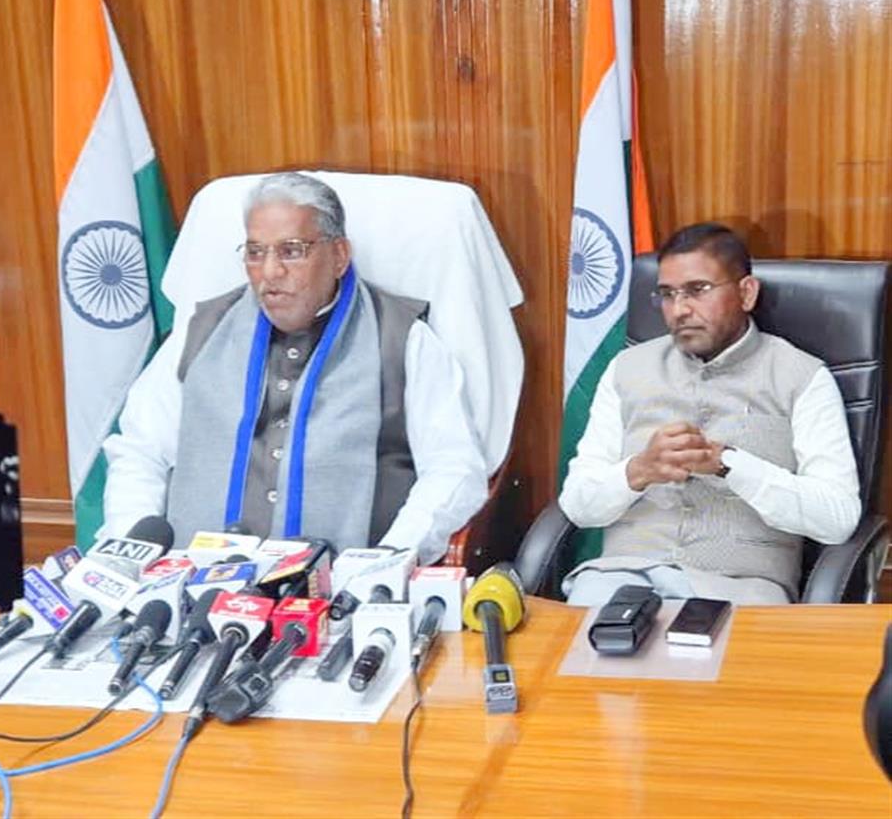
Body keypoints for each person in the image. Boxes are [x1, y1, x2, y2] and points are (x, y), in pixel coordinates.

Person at [102, 173, 488, 560]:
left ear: (339, 256)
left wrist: (392, 557)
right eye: (255, 252)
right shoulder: (201, 333)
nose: (270, 272)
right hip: (197, 581)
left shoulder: (401, 338)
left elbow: (453, 466)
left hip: (342, 585)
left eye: (291, 251)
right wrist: (132, 551)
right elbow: (140, 450)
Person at [559, 223, 861, 605]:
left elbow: (837, 518)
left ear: (746, 292)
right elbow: (577, 504)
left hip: (740, 588)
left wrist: (729, 464)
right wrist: (639, 470)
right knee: (582, 643)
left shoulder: (802, 377)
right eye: (667, 294)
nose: (680, 310)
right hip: (621, 581)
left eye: (698, 290)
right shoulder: (626, 369)